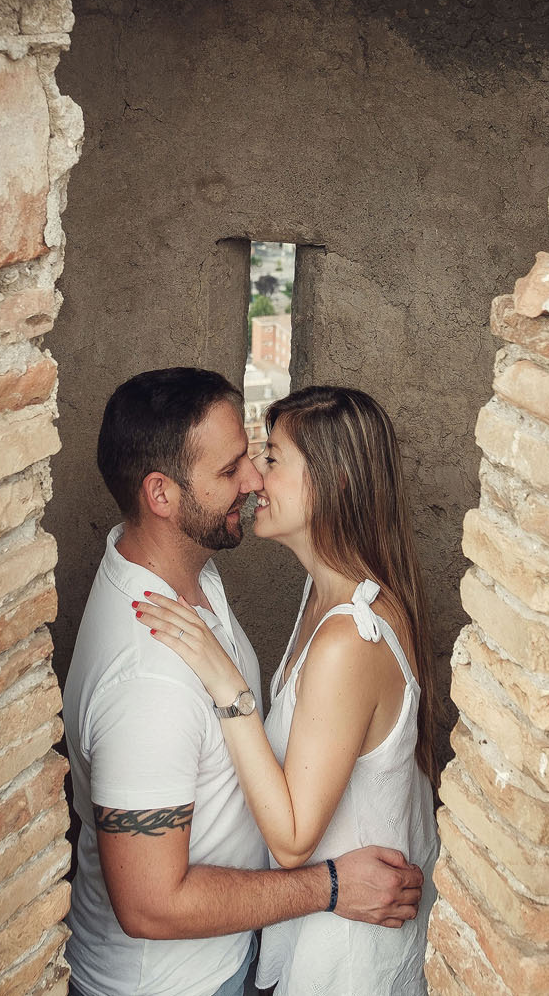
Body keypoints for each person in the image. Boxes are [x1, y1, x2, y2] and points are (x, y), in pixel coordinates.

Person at [65, 368, 426, 996]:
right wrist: (333, 886)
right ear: (163, 495)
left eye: (266, 460)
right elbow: (151, 904)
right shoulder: (148, 676)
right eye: (234, 468)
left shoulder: (199, 576)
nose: (254, 480)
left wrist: (230, 690)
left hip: (304, 949)